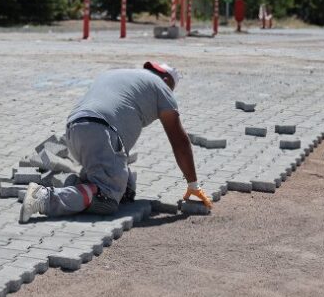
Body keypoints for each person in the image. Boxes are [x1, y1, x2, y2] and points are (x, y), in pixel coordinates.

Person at [19, 60, 212, 223]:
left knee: (126, 189)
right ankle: (43, 198)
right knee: (108, 199)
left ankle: (75, 182)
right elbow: (179, 141)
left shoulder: (117, 74)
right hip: (100, 134)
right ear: (167, 79)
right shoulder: (161, 87)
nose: (170, 93)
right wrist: (193, 185)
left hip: (74, 129)